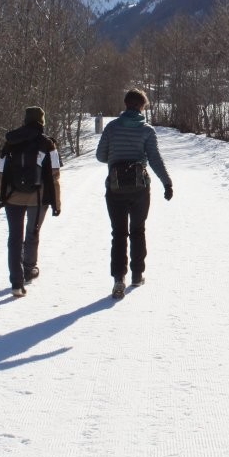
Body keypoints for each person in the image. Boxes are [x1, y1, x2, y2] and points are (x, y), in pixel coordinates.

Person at [95, 88, 173, 300]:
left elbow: (100, 155)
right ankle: (137, 275)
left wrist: (116, 157)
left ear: (126, 104)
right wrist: (167, 183)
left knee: (119, 233)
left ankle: (118, 279)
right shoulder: (147, 130)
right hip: (140, 188)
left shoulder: (112, 127)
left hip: (115, 187)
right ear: (141, 106)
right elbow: (155, 159)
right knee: (138, 230)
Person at [0, 106, 62, 298]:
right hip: (38, 198)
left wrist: (0, 196)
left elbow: (0, 171)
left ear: (25, 120)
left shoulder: (11, 142)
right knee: (32, 233)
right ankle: (29, 269)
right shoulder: (48, 144)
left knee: (14, 238)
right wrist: (57, 203)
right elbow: (55, 175)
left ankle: (16, 283)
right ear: (42, 121)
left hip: (12, 197)